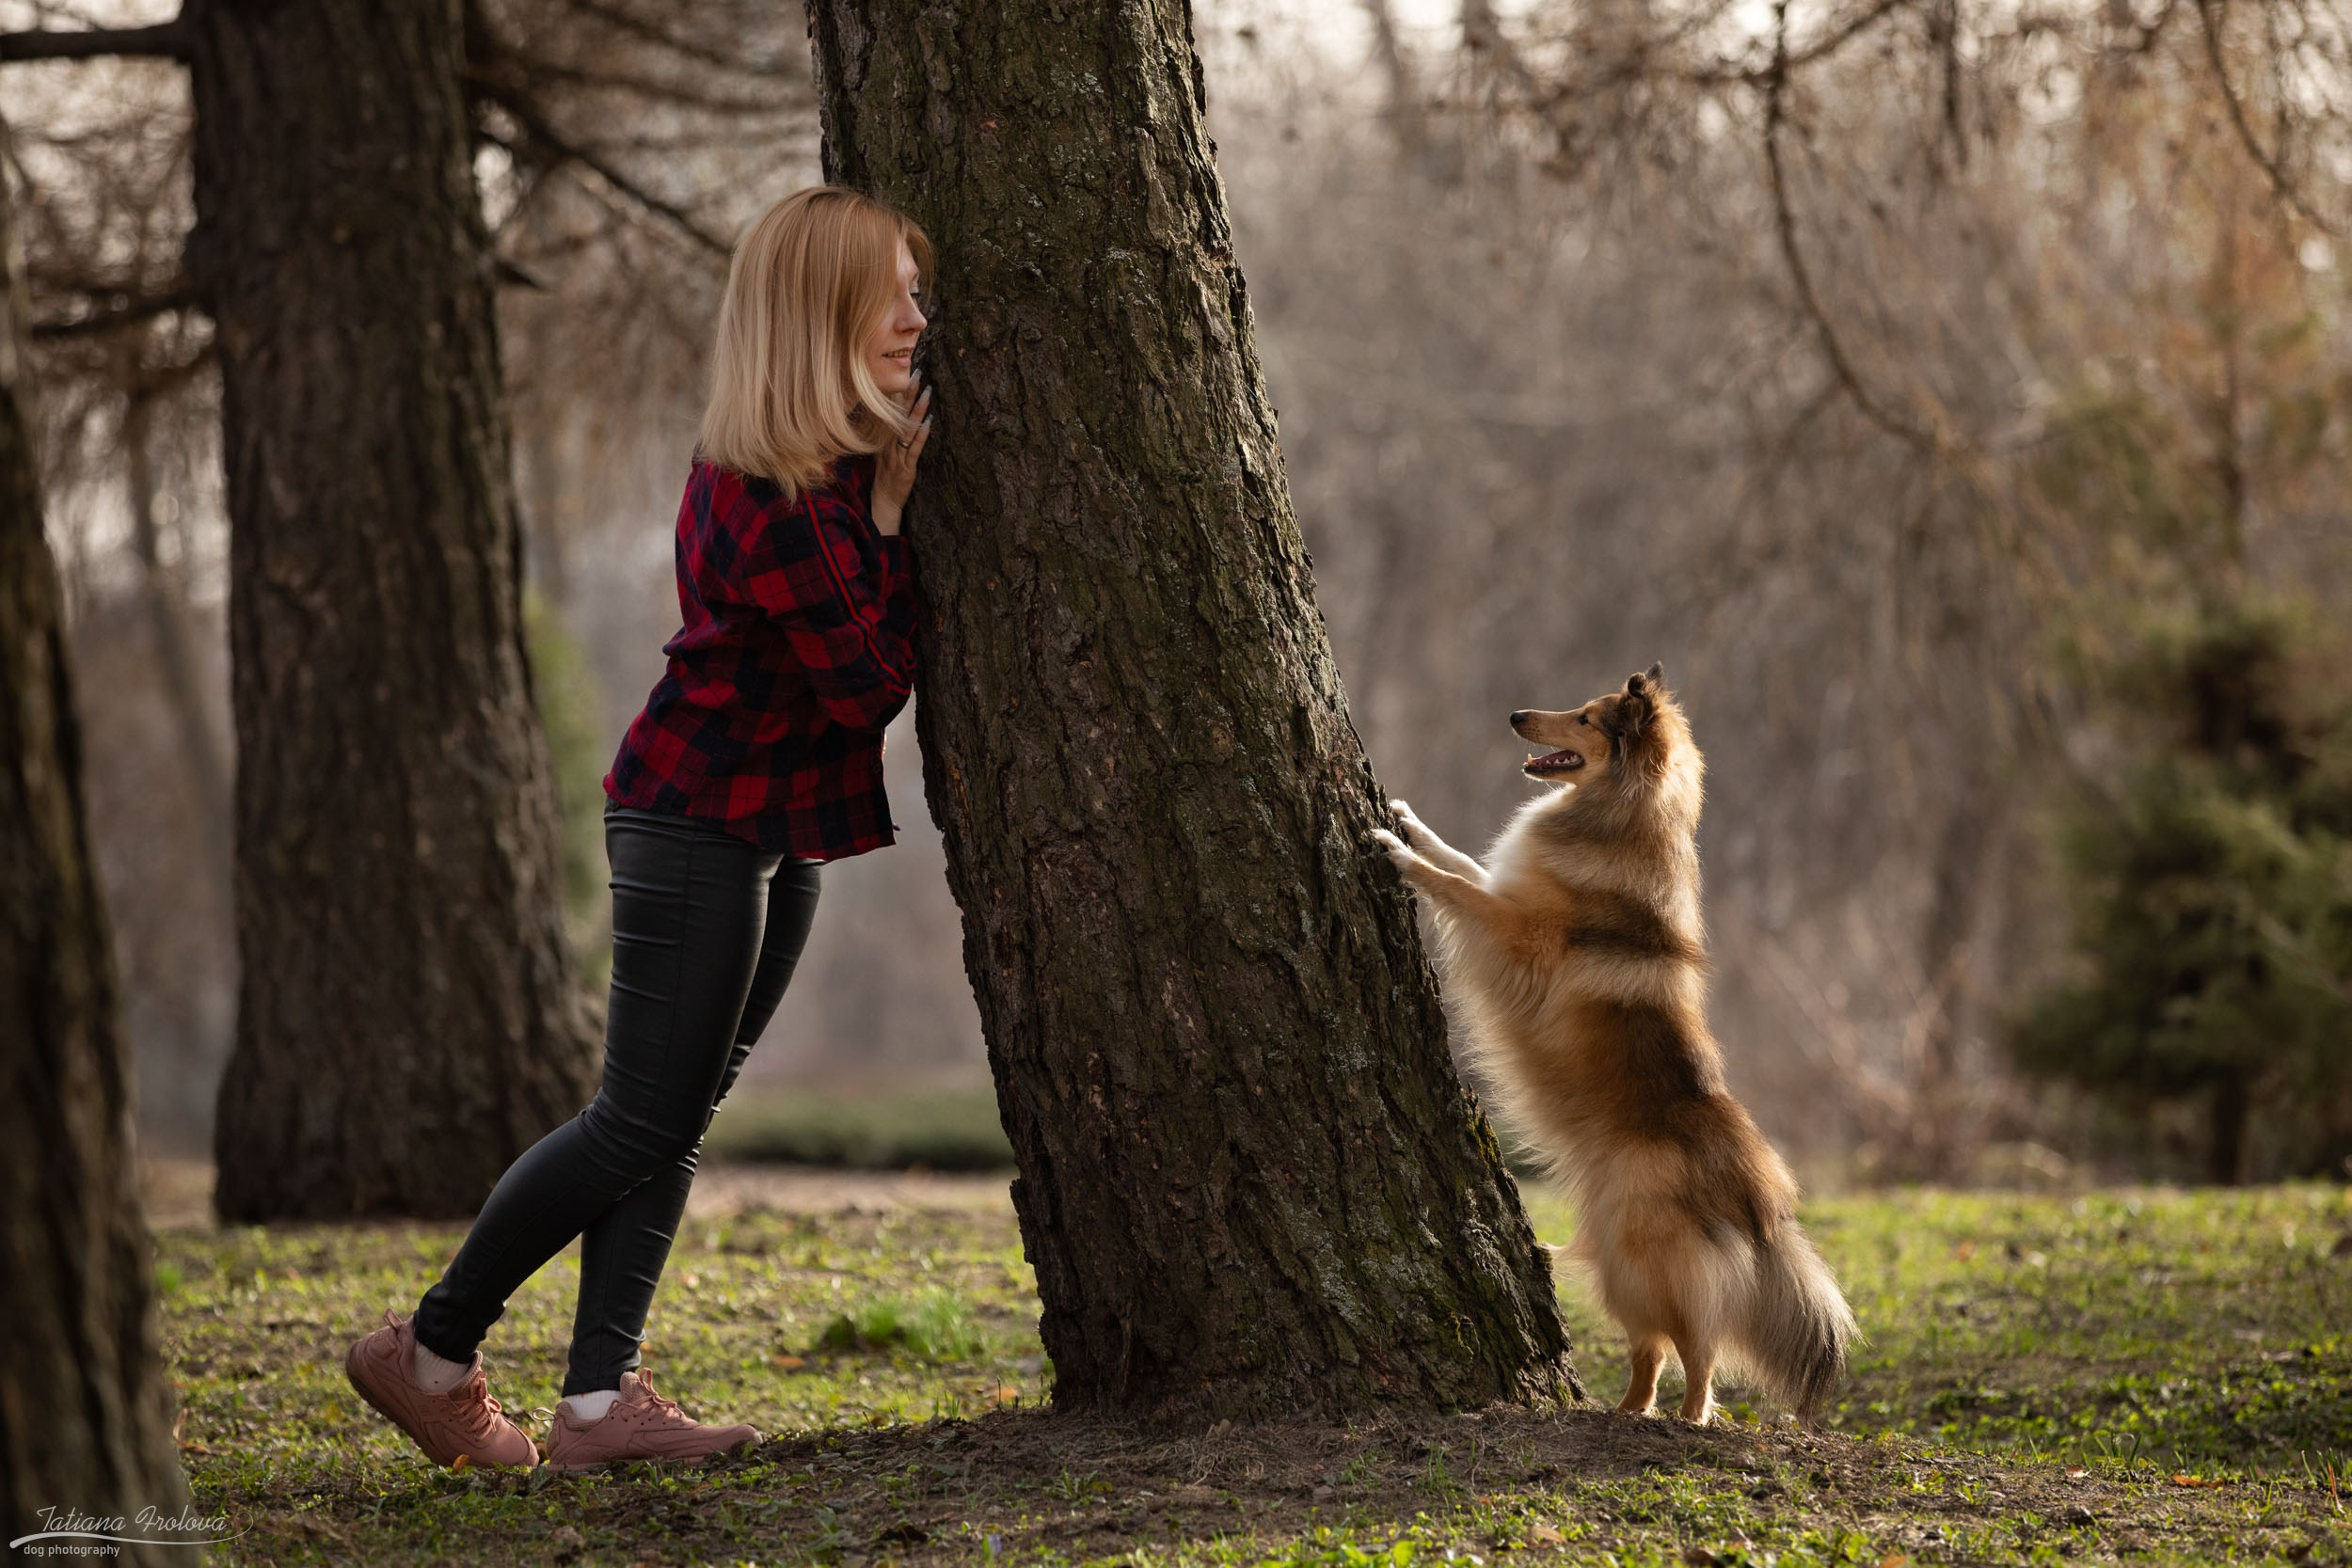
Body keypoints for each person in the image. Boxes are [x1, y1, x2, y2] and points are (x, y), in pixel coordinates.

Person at [342, 185, 935, 1472]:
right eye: (890, 291)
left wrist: (878, 511)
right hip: (695, 821)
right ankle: (430, 1354)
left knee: (676, 1114)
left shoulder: (816, 467)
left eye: (914, 290)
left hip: (769, 828)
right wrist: (892, 523)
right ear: (817, 307)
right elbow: (868, 684)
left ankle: (599, 1408)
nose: (914, 317)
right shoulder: (779, 488)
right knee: (637, 1119)